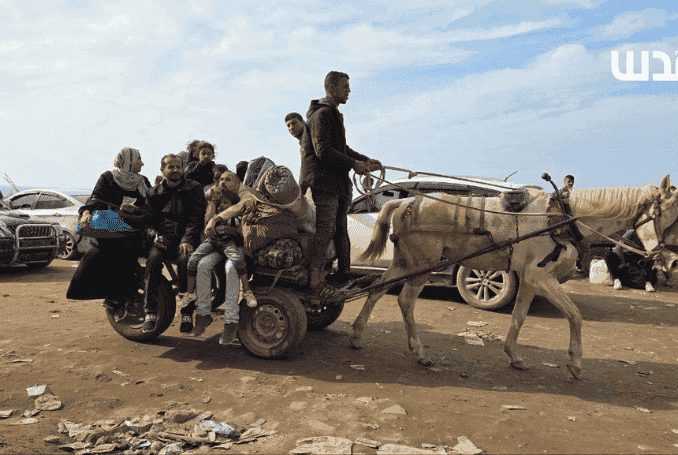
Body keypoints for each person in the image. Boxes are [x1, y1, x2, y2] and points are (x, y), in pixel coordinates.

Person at [300, 71, 383, 296]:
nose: (349, 91)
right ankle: (313, 278)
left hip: (334, 182)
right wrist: (354, 164)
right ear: (332, 88)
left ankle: (342, 274)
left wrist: (364, 160)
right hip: (322, 181)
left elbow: (341, 150)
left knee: (339, 228)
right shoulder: (322, 115)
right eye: (345, 86)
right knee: (325, 228)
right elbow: (323, 151)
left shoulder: (333, 114)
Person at [66, 148, 151, 315]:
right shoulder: (108, 177)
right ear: (128, 162)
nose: (142, 163)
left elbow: (151, 205)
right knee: (105, 253)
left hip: (134, 227)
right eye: (139, 159)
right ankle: (112, 297)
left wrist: (136, 208)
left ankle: (118, 295)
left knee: (129, 251)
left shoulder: (143, 181)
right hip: (109, 228)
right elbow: (95, 199)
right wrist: (86, 213)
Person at [181, 171, 258, 340]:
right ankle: (203, 315)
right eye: (221, 179)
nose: (223, 182)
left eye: (228, 179)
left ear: (238, 182)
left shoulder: (245, 195)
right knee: (202, 265)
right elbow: (207, 225)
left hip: (236, 245)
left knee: (231, 269)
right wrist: (213, 204)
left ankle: (231, 321)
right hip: (217, 244)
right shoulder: (217, 198)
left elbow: (238, 215)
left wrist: (216, 220)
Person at [143, 154, 207, 332]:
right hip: (164, 238)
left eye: (178, 166)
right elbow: (147, 222)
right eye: (170, 167)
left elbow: (196, 218)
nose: (176, 170)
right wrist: (155, 236)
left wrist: (187, 239)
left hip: (186, 238)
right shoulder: (153, 193)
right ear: (162, 170)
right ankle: (150, 312)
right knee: (153, 260)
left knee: (185, 261)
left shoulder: (195, 188)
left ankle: (187, 313)